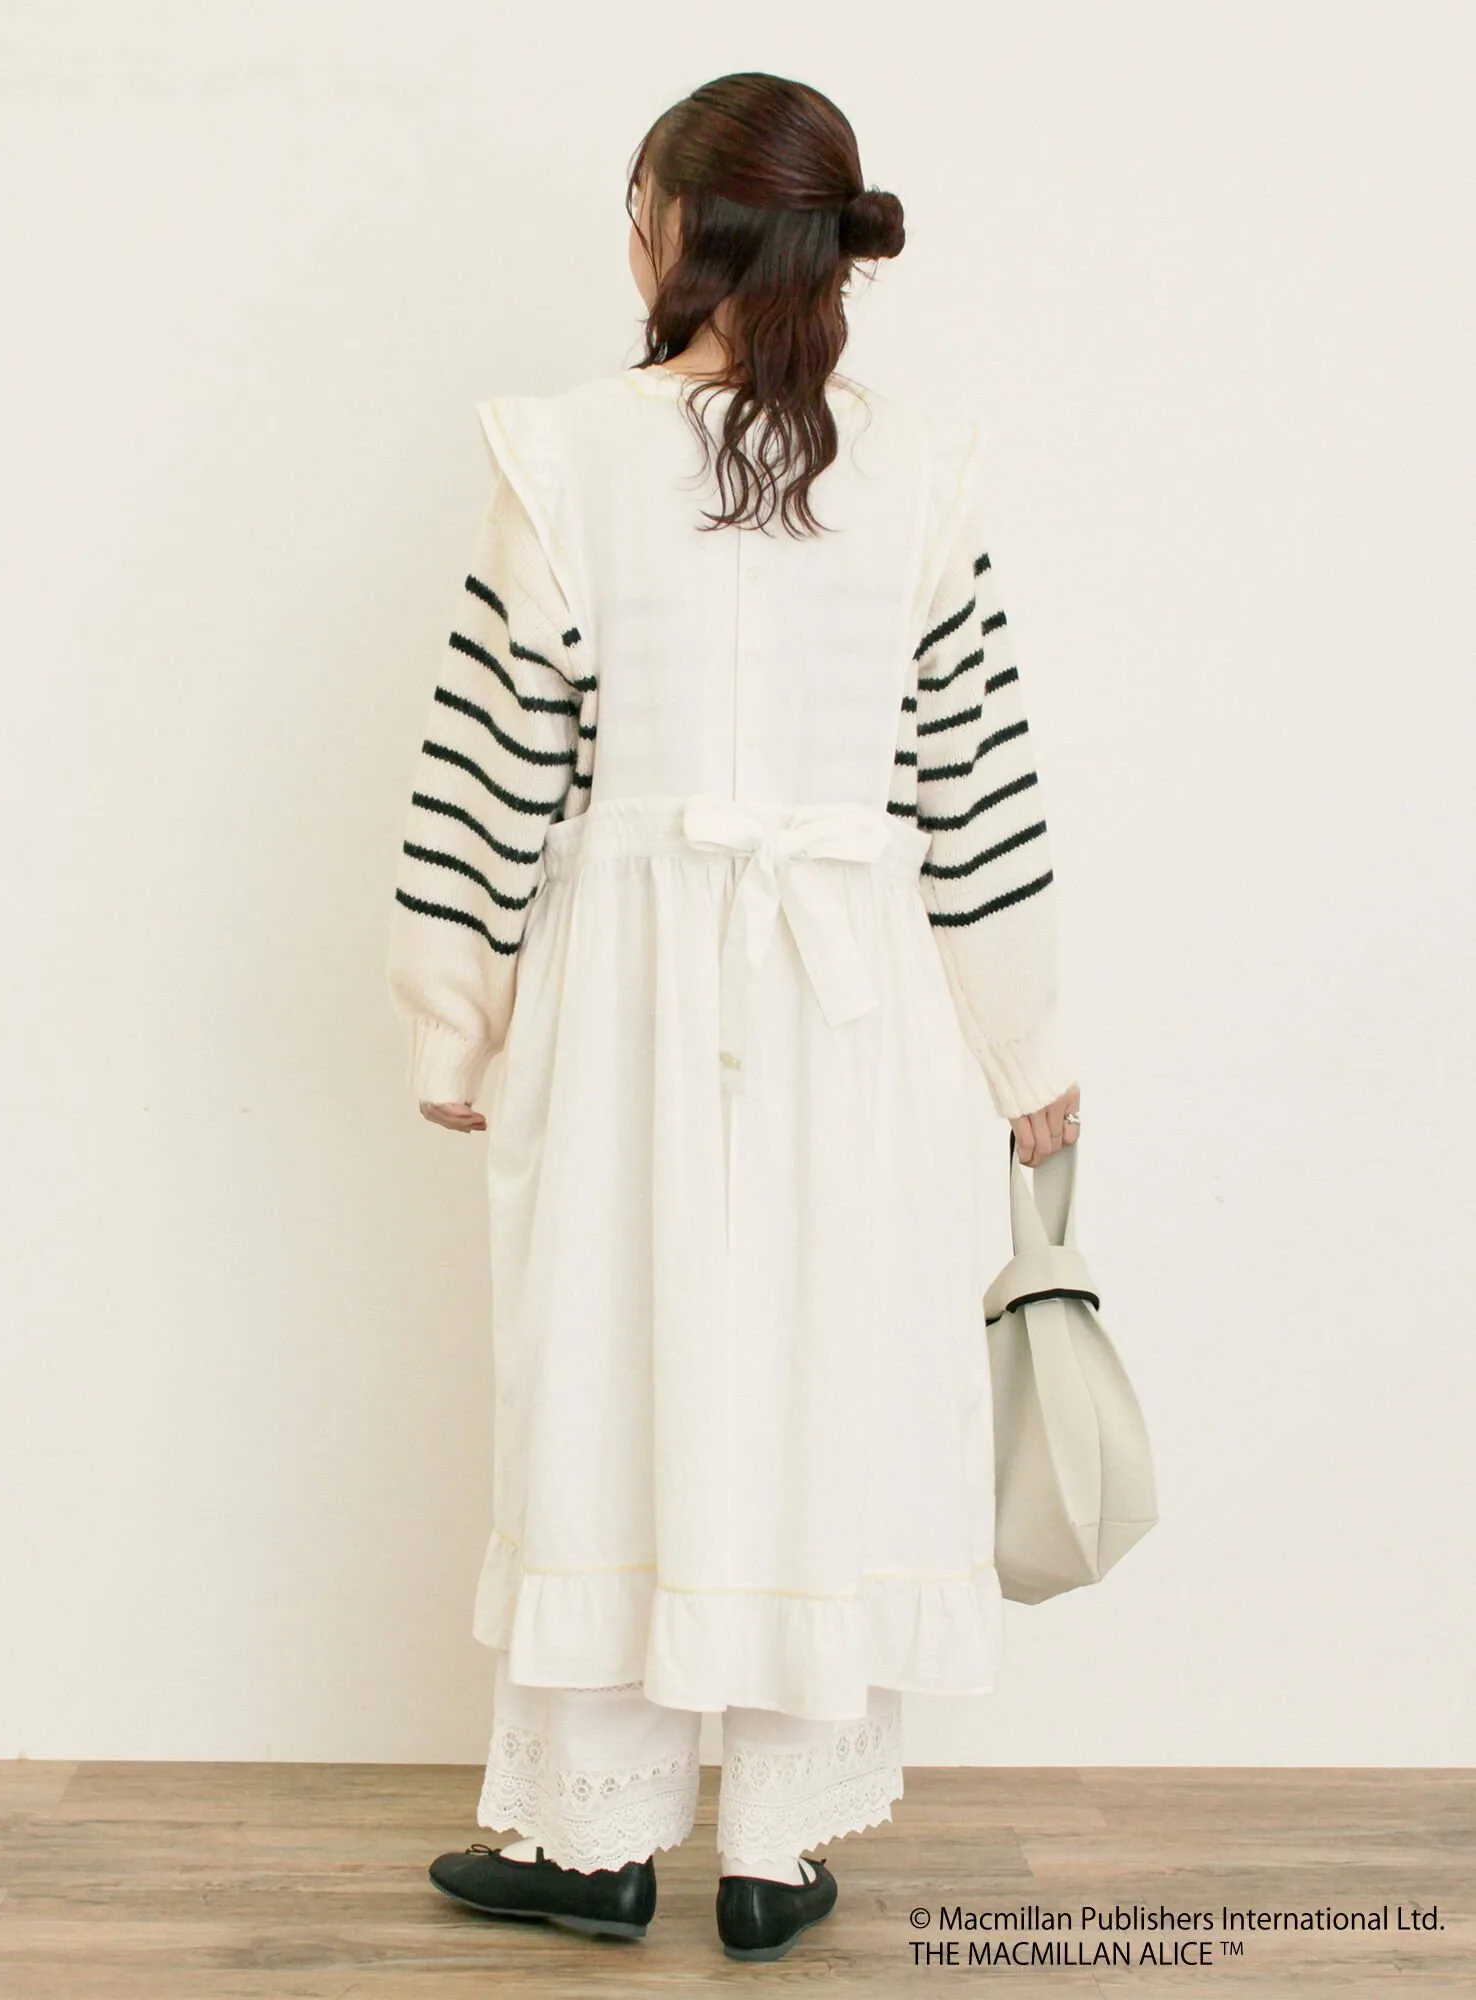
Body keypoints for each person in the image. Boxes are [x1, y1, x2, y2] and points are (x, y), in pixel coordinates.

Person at [386, 69, 1082, 1965]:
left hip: (626, 993)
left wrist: (455, 1015)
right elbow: (975, 796)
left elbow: (495, 763)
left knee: (609, 1381)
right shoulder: (917, 472)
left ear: (674, 227)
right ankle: (775, 1850)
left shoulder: (561, 455)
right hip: (859, 1003)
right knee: (825, 1382)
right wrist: (1024, 1054)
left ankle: (595, 1841)